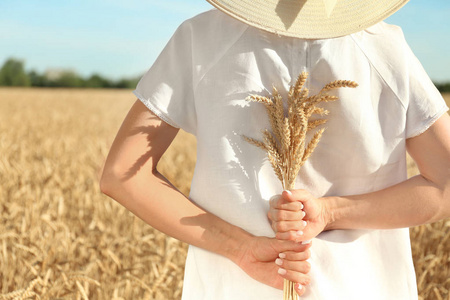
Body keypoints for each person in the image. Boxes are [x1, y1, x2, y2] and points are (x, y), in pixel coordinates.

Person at [100, 0, 450, 299]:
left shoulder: (201, 38)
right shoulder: (385, 49)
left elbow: (123, 175)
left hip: (231, 288)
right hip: (362, 286)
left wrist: (242, 249)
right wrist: (330, 212)